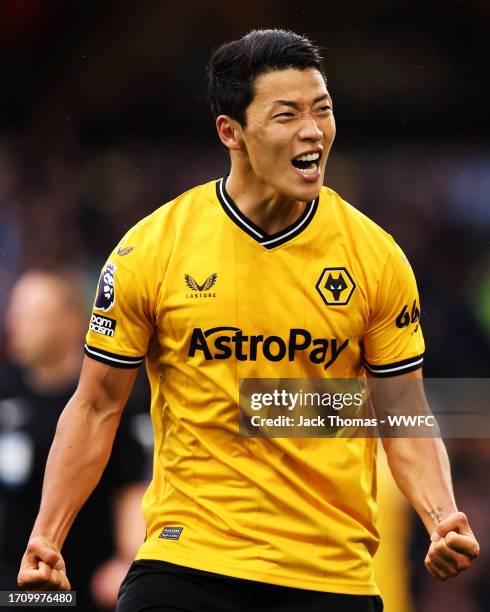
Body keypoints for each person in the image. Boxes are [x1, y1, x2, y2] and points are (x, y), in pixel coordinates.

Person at [17, 30, 479, 612]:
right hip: (187, 561)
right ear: (230, 132)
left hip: (327, 572)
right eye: (287, 115)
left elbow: (401, 408)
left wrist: (442, 518)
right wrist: (47, 535)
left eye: (323, 110)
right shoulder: (153, 249)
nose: (313, 130)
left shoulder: (375, 257)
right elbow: (95, 405)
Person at [1, 269, 148, 610]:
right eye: (15, 312)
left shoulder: (108, 401)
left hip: (88, 579)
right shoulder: (5, 394)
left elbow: (130, 487)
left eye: (31, 315)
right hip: (15, 576)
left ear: (68, 323)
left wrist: (126, 559)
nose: (14, 323)